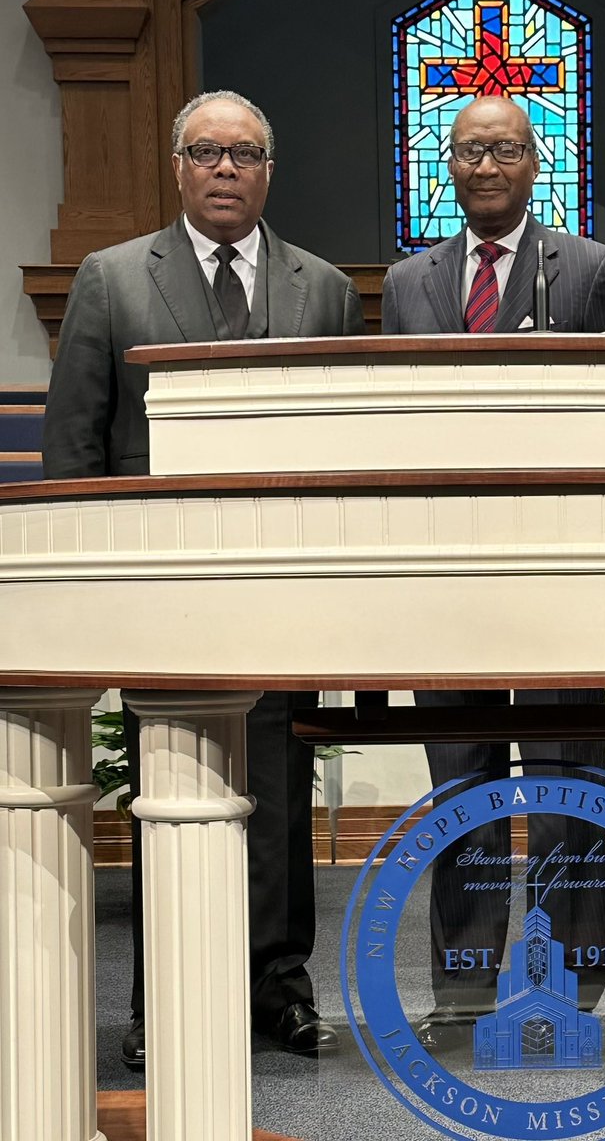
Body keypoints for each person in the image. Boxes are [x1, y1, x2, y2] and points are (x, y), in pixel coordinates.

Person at [42, 89, 364, 1064]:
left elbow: (352, 448)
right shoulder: (110, 279)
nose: (225, 169)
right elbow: (75, 453)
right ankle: (168, 999)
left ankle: (278, 989)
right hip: (165, 594)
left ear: (270, 171)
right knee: (171, 792)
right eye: (206, 152)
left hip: (283, 589)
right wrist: (85, 594)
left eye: (245, 154)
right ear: (177, 167)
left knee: (279, 789)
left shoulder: (324, 289)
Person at [382, 96, 605, 1051]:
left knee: (570, 782)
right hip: (445, 574)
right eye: (469, 148)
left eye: (506, 148)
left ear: (537, 162)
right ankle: (462, 988)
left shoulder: (590, 270)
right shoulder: (407, 284)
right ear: (445, 164)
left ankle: (572, 985)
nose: (487, 163)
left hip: (563, 570)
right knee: (462, 788)